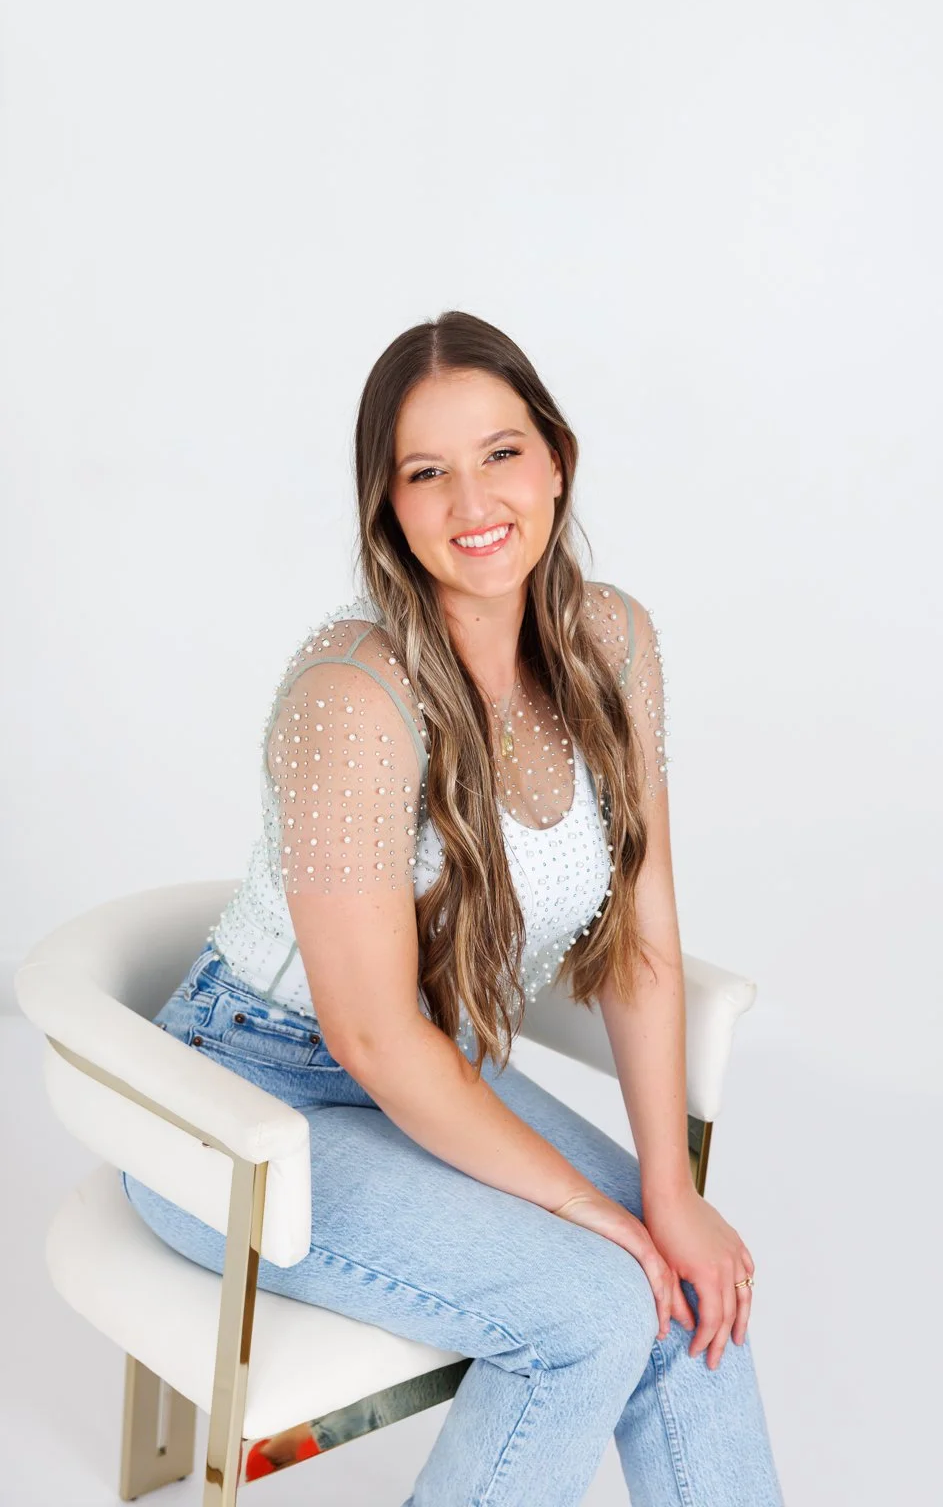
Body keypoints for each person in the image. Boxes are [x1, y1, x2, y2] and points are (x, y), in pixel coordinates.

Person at [121, 310, 784, 1506]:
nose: (471, 498)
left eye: (500, 452)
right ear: (385, 506)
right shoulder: (352, 693)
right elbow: (370, 1036)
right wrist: (602, 1216)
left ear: (556, 459)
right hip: (237, 1107)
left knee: (682, 1292)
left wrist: (666, 1194)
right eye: (425, 471)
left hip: (433, 1074)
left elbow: (637, 941)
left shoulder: (611, 643)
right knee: (594, 1309)